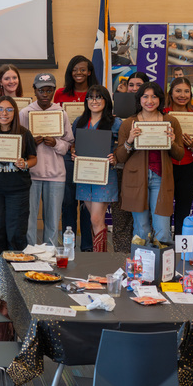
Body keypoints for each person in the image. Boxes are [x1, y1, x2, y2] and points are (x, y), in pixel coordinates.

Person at [114, 82, 184, 248]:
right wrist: (130, 140)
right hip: (135, 180)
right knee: (141, 229)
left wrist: (172, 143)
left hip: (161, 179)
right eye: (145, 96)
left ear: (160, 99)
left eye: (154, 96)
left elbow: (179, 154)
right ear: (139, 99)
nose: (150, 100)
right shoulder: (129, 123)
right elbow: (120, 157)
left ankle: (162, 271)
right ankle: (141, 270)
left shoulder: (171, 122)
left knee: (163, 230)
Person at [0, 95, 37, 264]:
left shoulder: (24, 133)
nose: (4, 113)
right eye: (0, 109)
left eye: (9, 109)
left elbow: (33, 159)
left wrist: (24, 163)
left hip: (18, 190)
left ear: (15, 113)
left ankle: (16, 271)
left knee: (16, 232)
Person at [19, 73, 71, 246]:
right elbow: (17, 145)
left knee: (53, 219)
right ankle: (30, 253)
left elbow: (68, 143)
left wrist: (56, 143)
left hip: (56, 174)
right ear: (35, 90)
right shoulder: (25, 113)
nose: (45, 94)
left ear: (54, 91)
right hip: (31, 174)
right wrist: (30, 143)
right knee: (29, 219)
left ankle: (50, 254)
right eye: (41, 90)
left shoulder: (61, 113)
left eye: (49, 90)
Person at [71, 85, 121, 252]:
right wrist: (73, 153)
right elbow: (74, 144)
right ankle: (98, 256)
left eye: (99, 97)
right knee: (94, 220)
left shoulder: (115, 123)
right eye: (90, 97)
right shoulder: (80, 122)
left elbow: (124, 148)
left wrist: (116, 156)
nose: (94, 101)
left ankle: (100, 260)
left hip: (105, 176)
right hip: (84, 175)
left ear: (106, 101)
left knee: (95, 218)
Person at [55, 55, 97, 251]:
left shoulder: (96, 93)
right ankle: (68, 245)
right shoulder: (61, 94)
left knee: (88, 203)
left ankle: (88, 246)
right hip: (68, 154)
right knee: (68, 202)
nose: (78, 73)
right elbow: (54, 123)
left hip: (90, 155)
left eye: (83, 69)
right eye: (75, 69)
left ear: (89, 72)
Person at [109, 71, 149, 252]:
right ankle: (121, 257)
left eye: (138, 85)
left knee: (142, 217)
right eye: (130, 85)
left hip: (144, 170)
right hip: (120, 168)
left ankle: (144, 257)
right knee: (121, 215)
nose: (134, 88)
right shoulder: (114, 112)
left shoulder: (153, 112)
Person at [165, 77, 193, 236]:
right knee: (164, 211)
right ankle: (164, 247)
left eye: (186, 91)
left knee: (183, 211)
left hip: (187, 167)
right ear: (171, 93)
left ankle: (180, 250)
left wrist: (192, 144)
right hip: (166, 166)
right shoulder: (162, 114)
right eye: (178, 91)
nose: (182, 95)